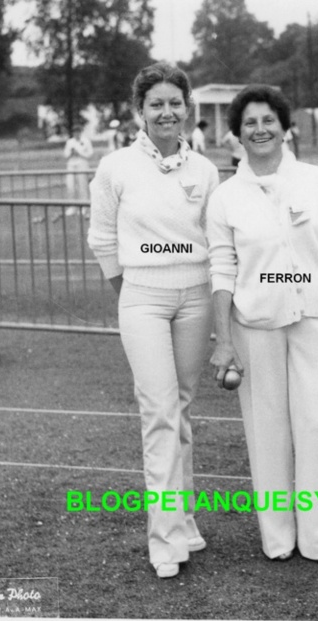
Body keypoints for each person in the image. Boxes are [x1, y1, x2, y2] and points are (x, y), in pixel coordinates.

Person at [207, 85, 318, 562]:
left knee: (315, 424)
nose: (260, 129)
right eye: (249, 122)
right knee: (266, 429)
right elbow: (222, 270)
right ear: (237, 132)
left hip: (315, 319)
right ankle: (277, 536)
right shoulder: (225, 197)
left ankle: (313, 534)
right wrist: (224, 341)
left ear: (284, 125)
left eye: (268, 119)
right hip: (256, 325)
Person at [88, 63, 219, 579]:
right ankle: (164, 540)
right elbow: (102, 240)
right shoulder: (115, 167)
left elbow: (215, 241)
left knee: (182, 408)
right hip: (141, 296)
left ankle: (183, 520)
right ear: (138, 111)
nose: (167, 112)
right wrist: (134, 294)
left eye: (174, 103)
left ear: (187, 108)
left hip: (195, 296)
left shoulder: (205, 170)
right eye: (156, 104)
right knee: (159, 411)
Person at [62, 124, 94, 216]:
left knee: (82, 186)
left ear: (80, 132)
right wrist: (71, 153)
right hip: (71, 164)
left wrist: (79, 153)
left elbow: (90, 154)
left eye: (78, 132)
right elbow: (66, 155)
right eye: (75, 132)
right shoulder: (70, 142)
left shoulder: (85, 141)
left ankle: (84, 207)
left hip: (82, 163)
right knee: (70, 186)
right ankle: (72, 207)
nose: (76, 133)